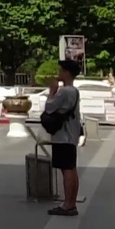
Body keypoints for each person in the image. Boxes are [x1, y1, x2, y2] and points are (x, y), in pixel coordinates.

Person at [39, 60, 84, 216]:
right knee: (71, 167)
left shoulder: (65, 91)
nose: (59, 72)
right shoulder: (74, 91)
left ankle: (68, 204)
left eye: (61, 70)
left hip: (63, 135)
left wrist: (52, 90)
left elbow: (50, 108)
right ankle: (70, 202)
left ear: (67, 73)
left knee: (66, 169)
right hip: (70, 134)